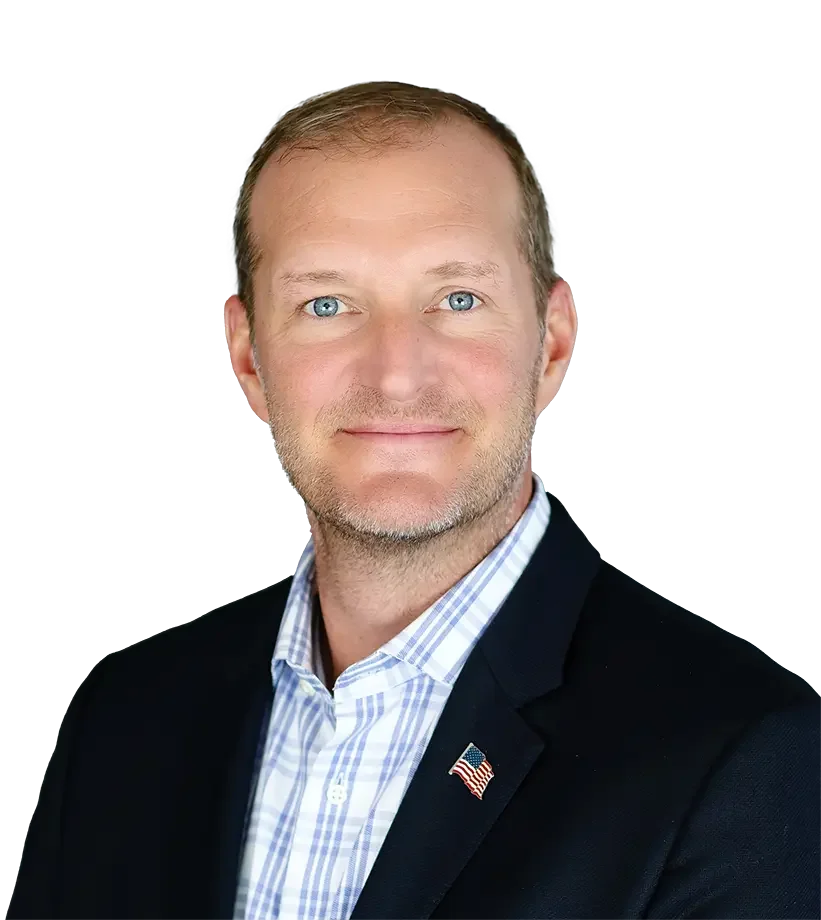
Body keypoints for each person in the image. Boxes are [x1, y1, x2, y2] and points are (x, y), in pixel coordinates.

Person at [9, 81, 820, 920]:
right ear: (248, 358)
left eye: (457, 299)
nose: (395, 372)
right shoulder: (124, 718)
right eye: (327, 304)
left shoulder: (745, 756)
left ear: (553, 341)